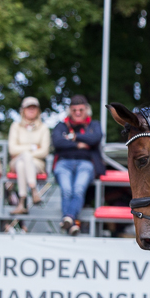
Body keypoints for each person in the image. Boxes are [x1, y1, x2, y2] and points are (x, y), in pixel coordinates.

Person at [52, 95, 104, 236]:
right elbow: (57, 142)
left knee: (78, 189)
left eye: (81, 110)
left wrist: (73, 137)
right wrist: (79, 144)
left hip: (86, 164)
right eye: (74, 110)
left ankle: (68, 219)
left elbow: (95, 138)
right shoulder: (61, 126)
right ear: (70, 111)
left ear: (87, 110)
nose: (78, 113)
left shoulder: (94, 124)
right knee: (67, 190)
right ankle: (72, 222)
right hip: (64, 163)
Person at [8, 96, 51, 215]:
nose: (31, 110)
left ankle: (22, 202)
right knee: (23, 159)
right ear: (23, 110)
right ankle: (33, 190)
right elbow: (12, 149)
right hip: (17, 160)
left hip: (36, 164)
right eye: (28, 107)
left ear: (38, 110)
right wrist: (33, 147)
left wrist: (24, 152)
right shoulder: (16, 126)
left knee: (22, 164)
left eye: (34, 107)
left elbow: (44, 151)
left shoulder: (43, 128)